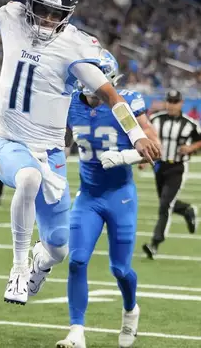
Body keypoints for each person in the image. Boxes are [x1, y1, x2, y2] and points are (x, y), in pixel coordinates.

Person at [0, 0, 160, 305]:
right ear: (29, 3)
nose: (49, 18)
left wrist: (137, 135)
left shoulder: (74, 46)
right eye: (42, 9)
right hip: (10, 143)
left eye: (57, 13)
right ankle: (19, 269)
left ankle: (39, 262)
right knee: (27, 178)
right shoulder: (13, 19)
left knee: (59, 248)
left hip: (49, 152)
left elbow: (113, 96)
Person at [57, 50, 158, 348]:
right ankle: (76, 330)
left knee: (120, 269)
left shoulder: (126, 103)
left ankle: (130, 310)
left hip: (120, 197)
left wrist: (126, 155)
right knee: (76, 260)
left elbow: (155, 148)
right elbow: (60, 144)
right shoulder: (70, 104)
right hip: (88, 196)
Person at [142, 89, 201, 260]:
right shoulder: (155, 119)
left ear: (181, 103)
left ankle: (154, 243)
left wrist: (191, 148)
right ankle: (187, 210)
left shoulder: (189, 123)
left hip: (177, 167)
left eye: (175, 102)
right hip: (159, 166)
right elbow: (143, 137)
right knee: (166, 202)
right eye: (169, 101)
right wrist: (142, 158)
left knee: (164, 205)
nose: (172, 105)